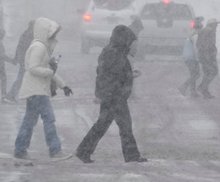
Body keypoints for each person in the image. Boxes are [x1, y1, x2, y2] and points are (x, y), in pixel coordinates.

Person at [74, 24, 148, 164]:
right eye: (130, 41)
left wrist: (129, 75)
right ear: (123, 40)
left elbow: (113, 74)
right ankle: (131, 155)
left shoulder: (114, 51)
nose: (132, 45)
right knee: (124, 125)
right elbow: (109, 76)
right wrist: (108, 93)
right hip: (114, 96)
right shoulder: (114, 53)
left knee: (103, 124)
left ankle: (83, 151)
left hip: (112, 95)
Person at [13, 17, 74, 161]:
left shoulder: (41, 47)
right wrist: (50, 71)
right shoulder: (39, 47)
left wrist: (62, 85)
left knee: (29, 121)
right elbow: (33, 68)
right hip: (37, 90)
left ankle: (20, 150)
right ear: (44, 32)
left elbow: (48, 70)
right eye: (52, 34)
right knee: (49, 119)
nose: (54, 37)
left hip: (35, 90)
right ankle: (55, 151)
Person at [6, 20, 34, 102]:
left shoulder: (26, 34)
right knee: (21, 78)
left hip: (25, 59)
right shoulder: (29, 35)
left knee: (26, 78)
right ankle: (11, 95)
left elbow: (19, 47)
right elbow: (24, 48)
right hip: (26, 60)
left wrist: (16, 58)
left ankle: (31, 96)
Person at [179, 16, 204, 97]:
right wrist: (198, 58)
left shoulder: (191, 34)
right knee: (196, 75)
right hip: (192, 58)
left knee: (194, 74)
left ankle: (193, 92)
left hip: (188, 57)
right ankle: (184, 86)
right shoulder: (196, 35)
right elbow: (196, 48)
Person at [196, 18, 220, 98]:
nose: (216, 26)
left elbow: (198, 43)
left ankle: (204, 91)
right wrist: (209, 56)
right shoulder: (210, 31)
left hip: (202, 55)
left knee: (207, 72)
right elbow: (209, 44)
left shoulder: (203, 30)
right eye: (215, 24)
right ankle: (203, 88)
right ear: (211, 24)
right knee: (213, 71)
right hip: (208, 55)